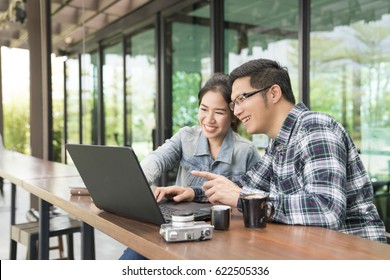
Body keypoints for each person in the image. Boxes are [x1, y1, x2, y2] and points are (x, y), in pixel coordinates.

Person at [191, 59, 387, 243]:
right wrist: (192, 193)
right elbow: (245, 186)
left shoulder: (315, 128)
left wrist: (243, 199)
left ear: (274, 93)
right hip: (312, 248)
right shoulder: (278, 143)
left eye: (242, 99)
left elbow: (326, 210)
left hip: (354, 252)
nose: (236, 111)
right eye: (234, 104)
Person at [119, 73, 261, 259]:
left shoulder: (246, 151)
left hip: (224, 240)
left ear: (232, 115)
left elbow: (253, 200)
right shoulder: (186, 137)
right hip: (177, 227)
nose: (209, 119)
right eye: (204, 109)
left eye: (219, 112)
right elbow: (157, 159)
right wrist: (134, 184)